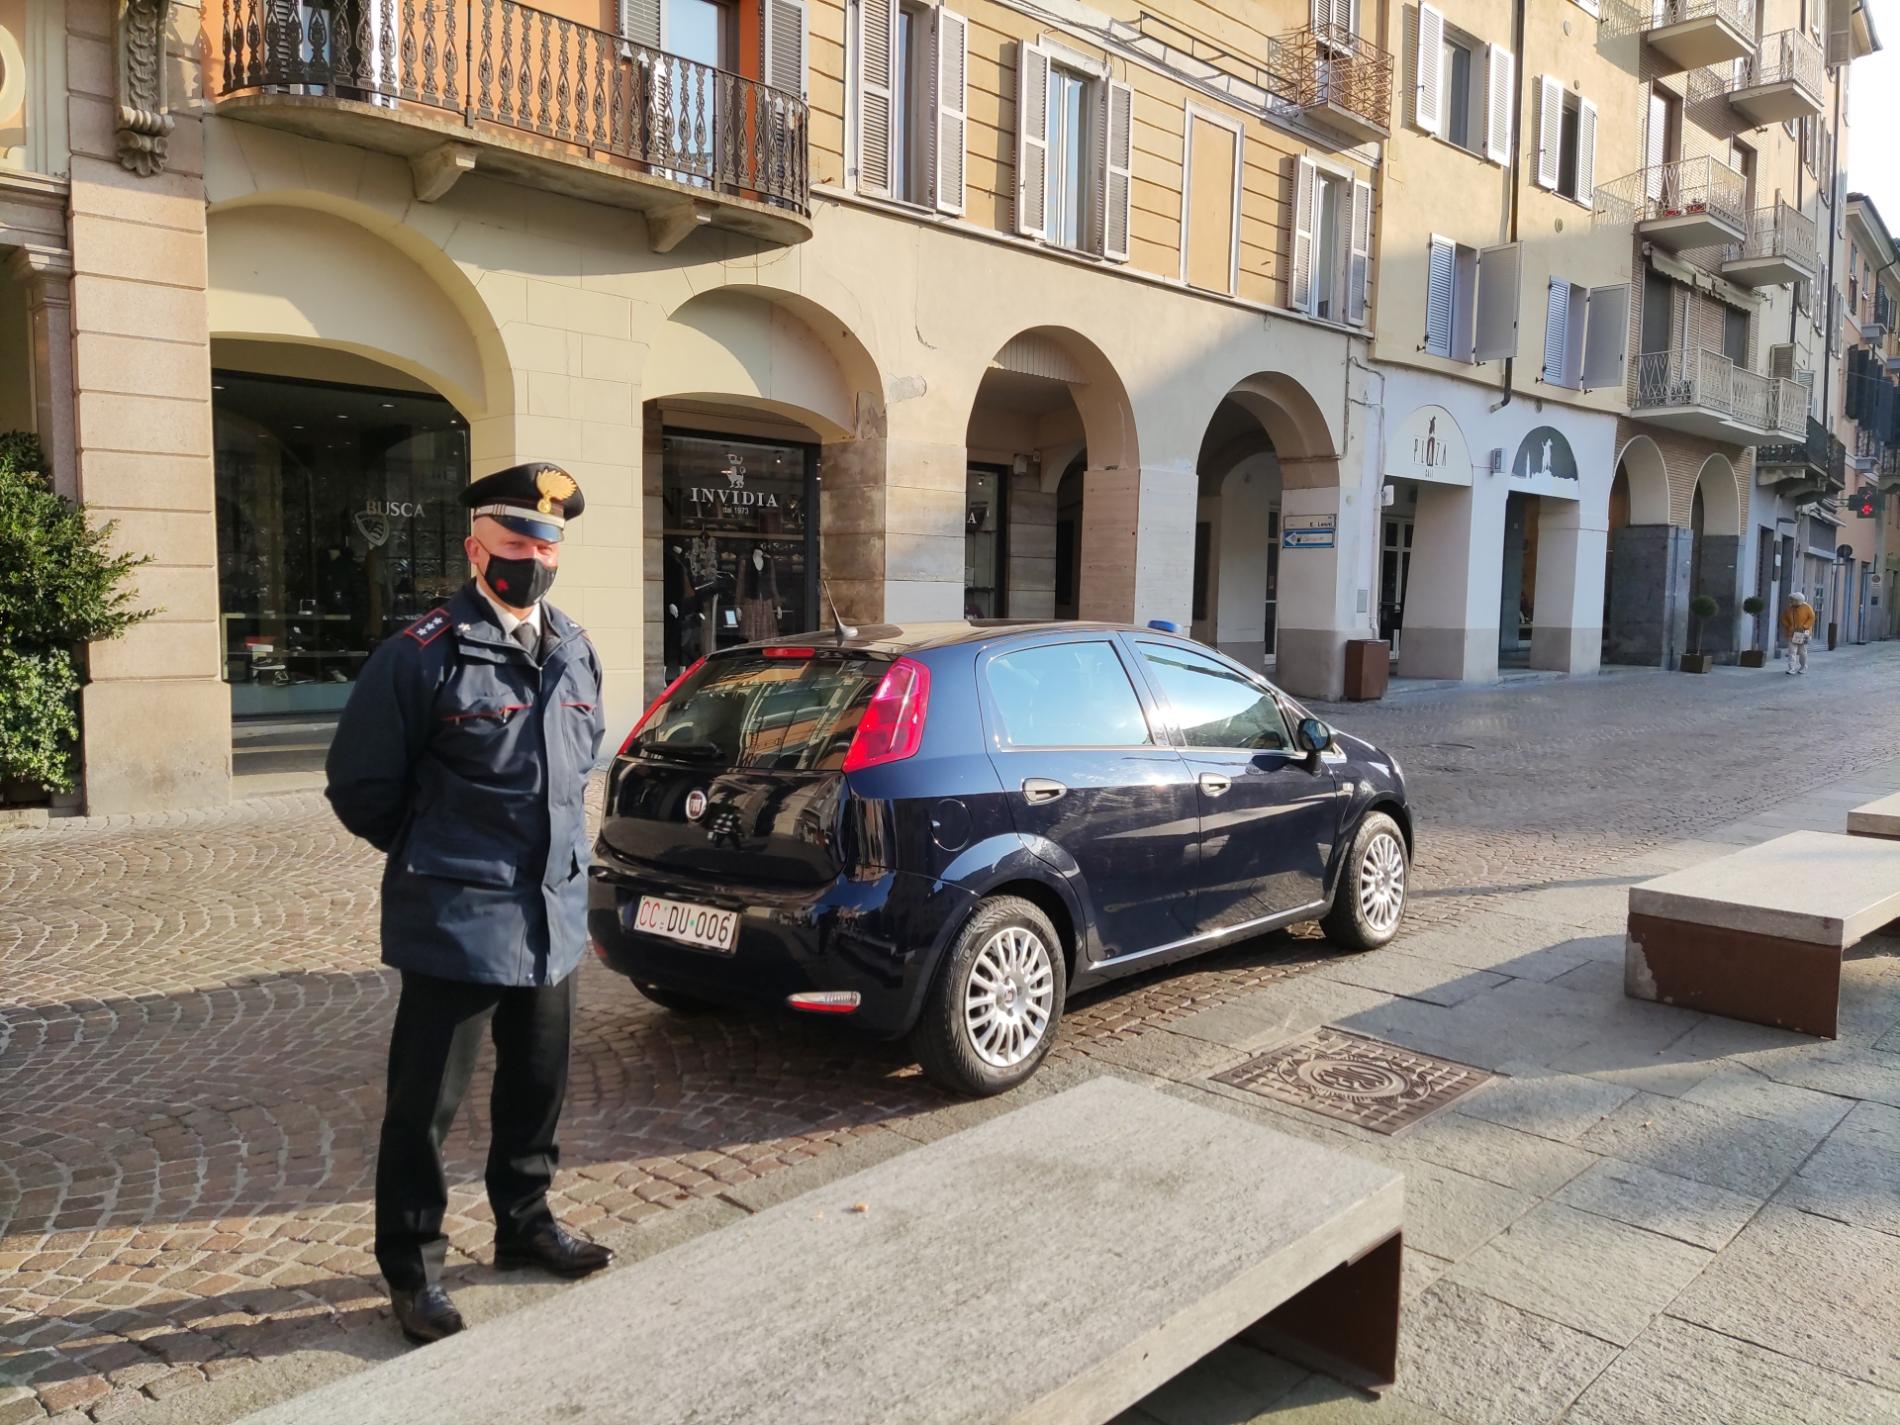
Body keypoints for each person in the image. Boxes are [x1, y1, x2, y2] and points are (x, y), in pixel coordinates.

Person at [324, 461, 612, 1345]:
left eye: (545, 543)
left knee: (537, 1087)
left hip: (551, 914)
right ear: (474, 546)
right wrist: (437, 857)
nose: (532, 557)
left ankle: (524, 1224)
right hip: (456, 919)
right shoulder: (421, 654)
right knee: (425, 1106)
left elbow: (581, 759)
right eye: (516, 539)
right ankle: (413, 1267)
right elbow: (360, 785)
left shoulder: (573, 647)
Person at [1780, 590, 1816, 676]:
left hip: (1803, 633)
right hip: (1792, 633)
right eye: (1791, 600)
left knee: (1802, 651)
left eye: (1792, 600)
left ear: (1798, 600)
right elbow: (1783, 618)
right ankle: (1791, 668)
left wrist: (1805, 626)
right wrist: (1788, 626)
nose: (1791, 601)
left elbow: (1812, 618)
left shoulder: (1807, 607)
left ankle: (1803, 667)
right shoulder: (1789, 608)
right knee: (1792, 651)